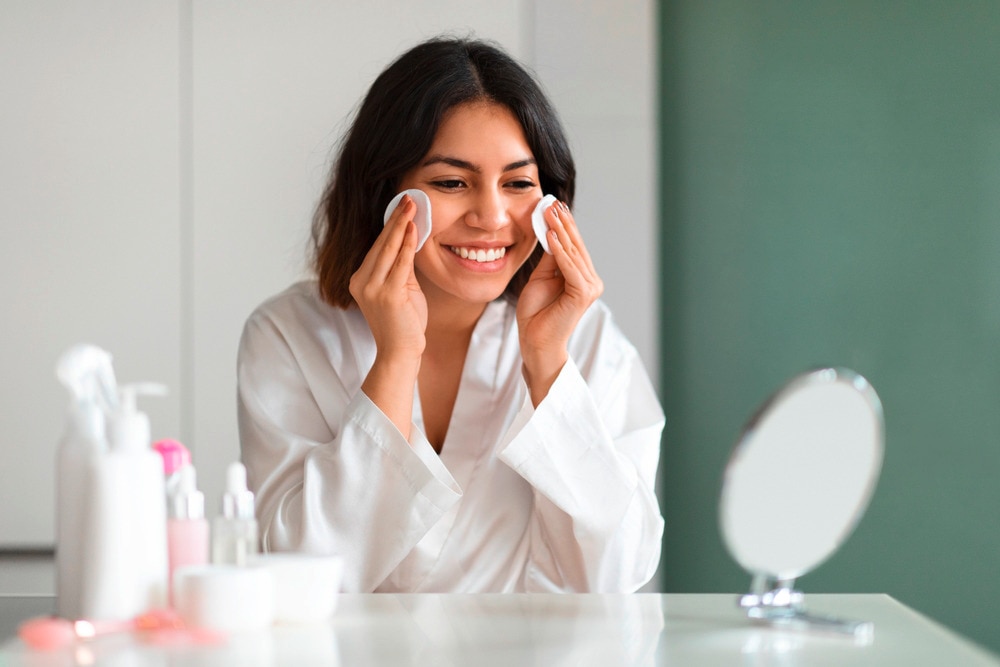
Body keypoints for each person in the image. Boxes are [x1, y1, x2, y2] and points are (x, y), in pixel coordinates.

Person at [237, 36, 664, 593]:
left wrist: (546, 364)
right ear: (385, 194)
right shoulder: (289, 336)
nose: (491, 216)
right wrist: (394, 360)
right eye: (451, 183)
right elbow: (302, 576)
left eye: (517, 183)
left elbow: (616, 574)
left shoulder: (589, 341)